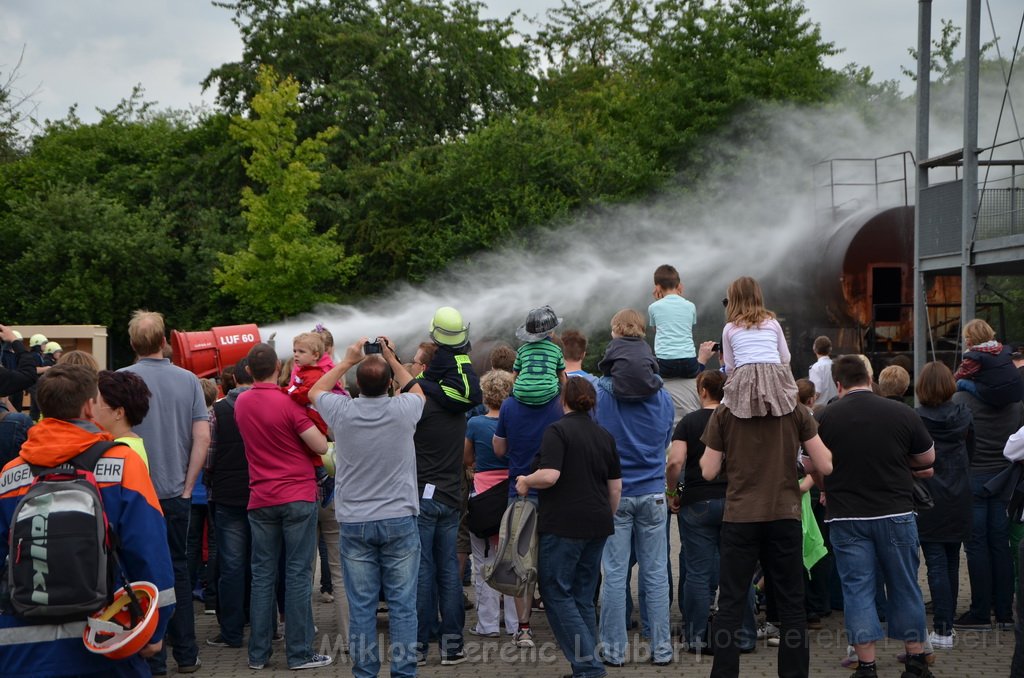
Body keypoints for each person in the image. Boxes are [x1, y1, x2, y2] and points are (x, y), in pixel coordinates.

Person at [0, 363, 175, 677]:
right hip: (105, 639)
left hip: (21, 644)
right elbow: (148, 551)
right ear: (88, 405)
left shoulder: (10, 475)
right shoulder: (122, 464)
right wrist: (155, 627)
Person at [699, 359, 831, 678]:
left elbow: (708, 470)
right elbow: (825, 464)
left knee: (730, 602)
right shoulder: (796, 411)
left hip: (740, 516)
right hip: (784, 515)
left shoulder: (725, 413)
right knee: (791, 604)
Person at [311, 337, 425, 678]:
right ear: (389, 382)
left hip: (355, 522)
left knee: (361, 606)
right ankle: (404, 672)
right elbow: (417, 390)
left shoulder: (341, 411)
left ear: (356, 385)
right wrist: (390, 356)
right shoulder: (404, 408)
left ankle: (365, 673)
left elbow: (314, 391)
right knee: (404, 605)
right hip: (400, 520)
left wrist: (345, 361)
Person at [817, 355, 936, 678]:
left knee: (858, 588)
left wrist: (826, 485)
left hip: (846, 516)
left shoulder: (825, 417)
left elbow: (814, 466)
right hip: (896, 511)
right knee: (905, 584)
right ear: (869, 379)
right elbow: (927, 458)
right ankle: (915, 662)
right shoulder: (902, 412)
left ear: (838, 384)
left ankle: (866, 665)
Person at [120, 310, 209, 676]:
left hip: (131, 496)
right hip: (175, 495)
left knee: (136, 575)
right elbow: (202, 437)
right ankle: (186, 655)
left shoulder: (119, 381)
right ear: (163, 342)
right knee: (178, 571)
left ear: (132, 344)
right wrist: (188, 487)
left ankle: (151, 657)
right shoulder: (189, 381)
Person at [516, 377, 622, 678]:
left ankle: (588, 667)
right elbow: (615, 488)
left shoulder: (557, 431)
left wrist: (525, 481)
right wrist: (606, 516)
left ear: (563, 401)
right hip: (598, 523)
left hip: (563, 524)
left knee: (555, 592)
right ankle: (586, 665)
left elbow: (550, 475)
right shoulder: (604, 436)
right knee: (582, 596)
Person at [234, 343, 332, 671]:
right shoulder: (289, 404)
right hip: (297, 495)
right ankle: (300, 653)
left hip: (260, 498)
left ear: (248, 370)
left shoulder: (242, 402)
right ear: (279, 366)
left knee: (262, 574)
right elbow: (319, 444)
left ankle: (258, 655)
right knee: (298, 574)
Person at [594, 360, 675, 667]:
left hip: (616, 494)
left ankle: (614, 652)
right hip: (653, 492)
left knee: (614, 574)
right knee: (655, 574)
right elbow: (666, 438)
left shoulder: (602, 394)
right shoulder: (661, 395)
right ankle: (662, 649)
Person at [952, 343, 1024, 632]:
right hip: (1005, 481)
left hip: (974, 478)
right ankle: (1005, 613)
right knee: (1002, 545)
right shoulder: (1015, 403)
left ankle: (980, 612)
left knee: (976, 546)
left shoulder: (961, 400)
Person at [665, 369, 732, 653]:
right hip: (734, 501)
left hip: (696, 501)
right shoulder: (736, 420)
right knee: (735, 571)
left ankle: (695, 637)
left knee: (696, 572)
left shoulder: (689, 422)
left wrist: (673, 495)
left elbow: (676, 465)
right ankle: (741, 635)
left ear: (703, 390)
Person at [913, 361, 973, 649]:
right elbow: (971, 452)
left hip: (928, 495)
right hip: (960, 493)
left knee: (935, 561)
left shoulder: (916, 418)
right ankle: (947, 626)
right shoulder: (964, 415)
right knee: (951, 560)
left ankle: (942, 629)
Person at [465, 369, 519, 638]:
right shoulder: (515, 422)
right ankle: (513, 623)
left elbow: (466, 458)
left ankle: (487, 624)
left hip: (483, 496)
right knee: (511, 561)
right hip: (510, 493)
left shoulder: (475, 424)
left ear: (485, 395)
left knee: (483, 561)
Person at [205, 358, 254, 650]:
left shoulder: (217, 411)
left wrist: (212, 479)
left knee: (232, 566)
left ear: (233, 380)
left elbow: (209, 458)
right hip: (263, 494)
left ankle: (233, 632)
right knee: (263, 564)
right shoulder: (273, 405)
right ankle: (266, 628)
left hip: (227, 495)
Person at [719, 276, 798, 418]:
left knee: (725, 410)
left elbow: (730, 367)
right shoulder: (773, 323)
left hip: (744, 377)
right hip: (774, 374)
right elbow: (785, 357)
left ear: (733, 300)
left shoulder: (729, 328)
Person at [409, 306, 482, 414]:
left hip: (456, 400)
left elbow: (427, 376)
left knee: (418, 383)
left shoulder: (442, 356)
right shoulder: (462, 350)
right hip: (471, 401)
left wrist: (410, 382)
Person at [953, 319, 1023, 408]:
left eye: (967, 337)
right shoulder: (1003, 349)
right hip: (1014, 392)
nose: (965, 341)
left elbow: (960, 375)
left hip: (995, 395)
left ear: (972, 339)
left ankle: (949, 406)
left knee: (960, 382)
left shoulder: (975, 357)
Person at [648, 263, 700, 379]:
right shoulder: (690, 306)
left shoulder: (654, 307)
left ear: (657, 287)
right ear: (679, 286)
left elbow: (657, 329)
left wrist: (658, 301)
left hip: (665, 363)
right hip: (689, 362)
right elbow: (688, 327)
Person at [597, 308, 662, 401]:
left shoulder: (614, 345)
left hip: (621, 391)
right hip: (647, 390)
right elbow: (655, 367)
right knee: (658, 377)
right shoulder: (644, 345)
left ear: (618, 329)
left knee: (602, 380)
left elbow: (605, 367)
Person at [94, 370, 152, 469]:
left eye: (96, 404)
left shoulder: (121, 450)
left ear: (119, 413)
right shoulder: (132, 443)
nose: (90, 411)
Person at [512, 305, 567, 406]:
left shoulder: (521, 350)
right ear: (550, 332)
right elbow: (562, 376)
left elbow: (515, 375)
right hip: (548, 394)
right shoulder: (556, 350)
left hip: (522, 394)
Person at [287, 331, 330, 433]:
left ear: (315, 356)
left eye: (301, 351)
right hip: (306, 419)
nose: (296, 355)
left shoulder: (314, 375)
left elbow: (303, 394)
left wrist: (286, 392)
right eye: (295, 351)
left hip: (313, 422)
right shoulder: (305, 371)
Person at [807, 336, 837, 405]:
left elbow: (816, 392)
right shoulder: (836, 365)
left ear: (814, 349)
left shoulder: (816, 368)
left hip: (821, 409)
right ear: (830, 349)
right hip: (836, 406)